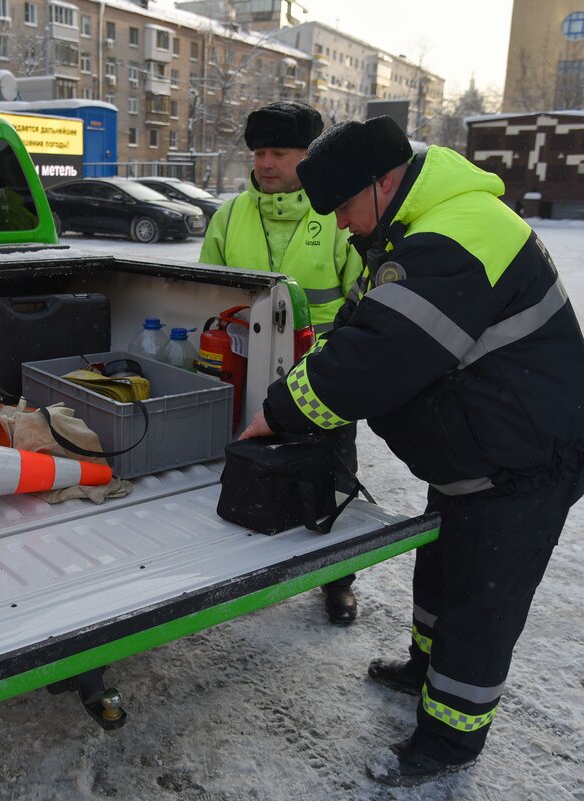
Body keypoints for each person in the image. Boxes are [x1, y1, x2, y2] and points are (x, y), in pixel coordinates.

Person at [239, 116, 584, 786]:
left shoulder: (456, 236)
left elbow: (377, 358)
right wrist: (298, 378)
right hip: (479, 454)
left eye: (347, 207)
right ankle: (424, 668)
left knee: (480, 603)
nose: (345, 225)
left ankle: (447, 742)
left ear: (383, 182)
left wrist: (278, 410)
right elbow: (359, 323)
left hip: (526, 459)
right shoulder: (415, 227)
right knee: (441, 573)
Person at [199, 101, 365, 626]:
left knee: (331, 476)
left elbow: (363, 301)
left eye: (280, 152)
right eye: (259, 152)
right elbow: (205, 290)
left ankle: (336, 578)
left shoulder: (340, 213)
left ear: (308, 155)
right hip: (242, 371)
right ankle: (238, 570)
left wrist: (333, 362)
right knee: (243, 468)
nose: (266, 163)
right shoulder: (230, 215)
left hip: (324, 376)